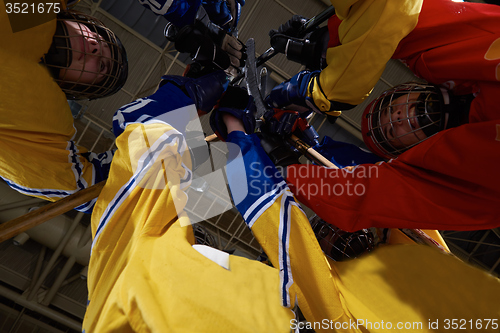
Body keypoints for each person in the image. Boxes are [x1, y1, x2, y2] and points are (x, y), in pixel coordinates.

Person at [209, 102, 500, 332]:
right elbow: (385, 185)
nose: (338, 236)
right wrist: (296, 141)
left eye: (329, 232)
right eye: (330, 233)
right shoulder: (419, 246)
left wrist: (249, 138)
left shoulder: (345, 307)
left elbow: (278, 220)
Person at [82, 71, 295, 332]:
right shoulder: (278, 301)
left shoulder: (129, 266)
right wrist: (237, 131)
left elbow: (149, 144)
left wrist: (190, 98)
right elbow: (288, 239)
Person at [262, 0, 500, 232]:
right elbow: (368, 196)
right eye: (390, 131)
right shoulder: (458, 179)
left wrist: (333, 41)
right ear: (403, 154)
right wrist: (287, 167)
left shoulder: (437, 60)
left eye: (390, 108)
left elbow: (401, 12)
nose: (396, 117)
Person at [0, 2, 128, 213]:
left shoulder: (42, 120)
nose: (96, 46)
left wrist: (174, 119)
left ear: (75, 87)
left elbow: (86, 187)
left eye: (102, 66)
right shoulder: (36, 9)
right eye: (98, 37)